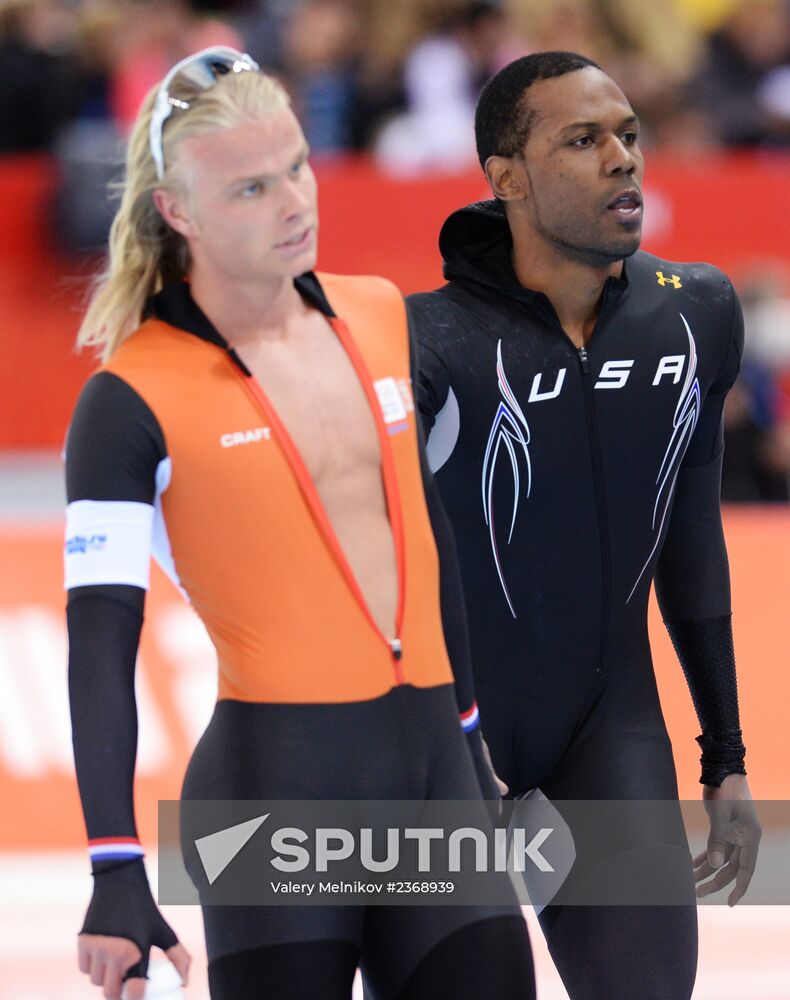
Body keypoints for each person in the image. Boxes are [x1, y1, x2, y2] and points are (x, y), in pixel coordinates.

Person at [64, 47, 535, 1000]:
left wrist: (474, 734)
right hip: (275, 800)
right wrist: (114, 866)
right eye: (249, 188)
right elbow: (100, 637)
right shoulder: (129, 397)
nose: (293, 202)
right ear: (178, 213)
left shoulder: (375, 315)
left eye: (297, 167)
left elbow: (432, 535)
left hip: (436, 775)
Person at [408, 51, 762, 1000]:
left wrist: (725, 759)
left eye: (629, 135)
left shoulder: (696, 318)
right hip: (443, 747)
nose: (622, 159)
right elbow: (385, 567)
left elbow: (692, 540)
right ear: (506, 176)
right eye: (583, 139)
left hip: (607, 734)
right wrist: (446, 740)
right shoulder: (427, 342)